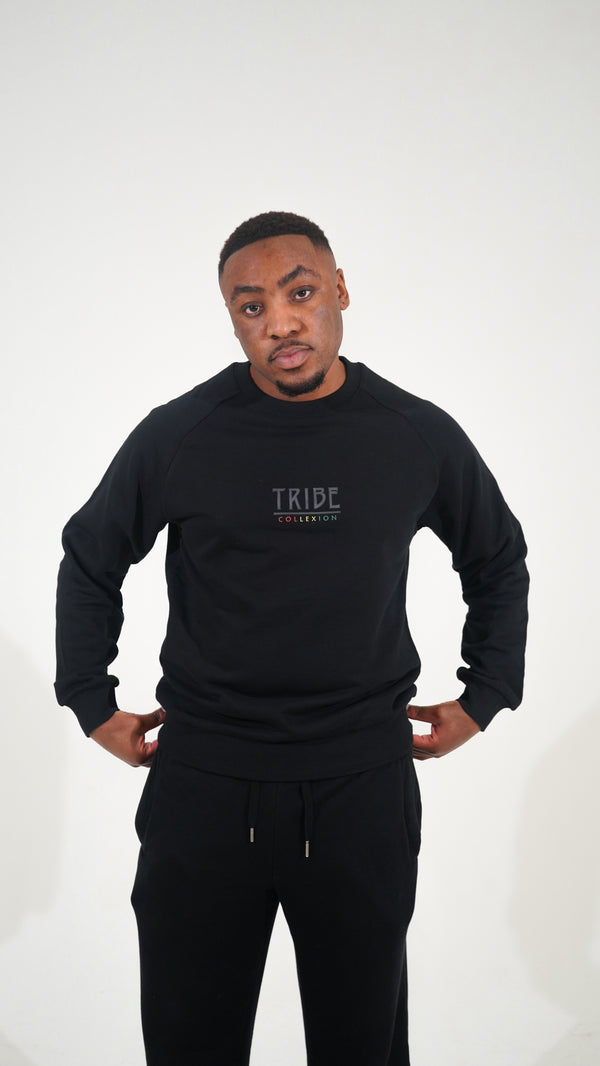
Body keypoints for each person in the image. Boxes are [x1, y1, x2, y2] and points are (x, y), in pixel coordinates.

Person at [55, 211, 529, 1066]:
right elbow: (92, 557)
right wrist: (92, 702)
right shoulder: (182, 433)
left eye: (299, 293)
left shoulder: (413, 433)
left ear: (339, 290)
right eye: (251, 307)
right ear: (232, 320)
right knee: (189, 1046)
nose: (279, 322)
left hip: (362, 790)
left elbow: (496, 558)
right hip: (203, 787)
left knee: (362, 1046)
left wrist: (486, 694)